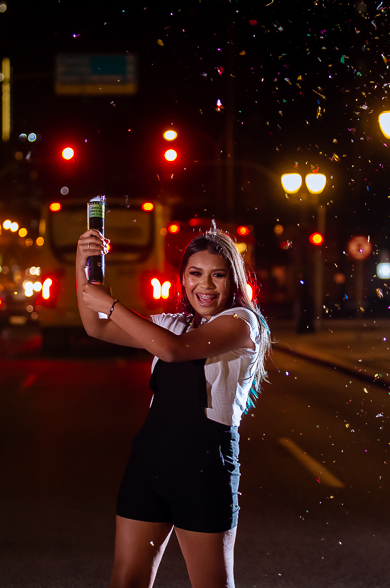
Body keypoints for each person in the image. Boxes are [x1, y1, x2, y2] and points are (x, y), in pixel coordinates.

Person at [76, 226, 271, 588]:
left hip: (204, 467)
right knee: (126, 580)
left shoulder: (243, 324)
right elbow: (97, 328)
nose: (206, 286)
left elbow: (174, 351)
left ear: (234, 280)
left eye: (218, 274)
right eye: (195, 274)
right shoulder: (172, 324)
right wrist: (84, 259)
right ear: (182, 279)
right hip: (149, 462)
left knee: (211, 583)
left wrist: (113, 304)